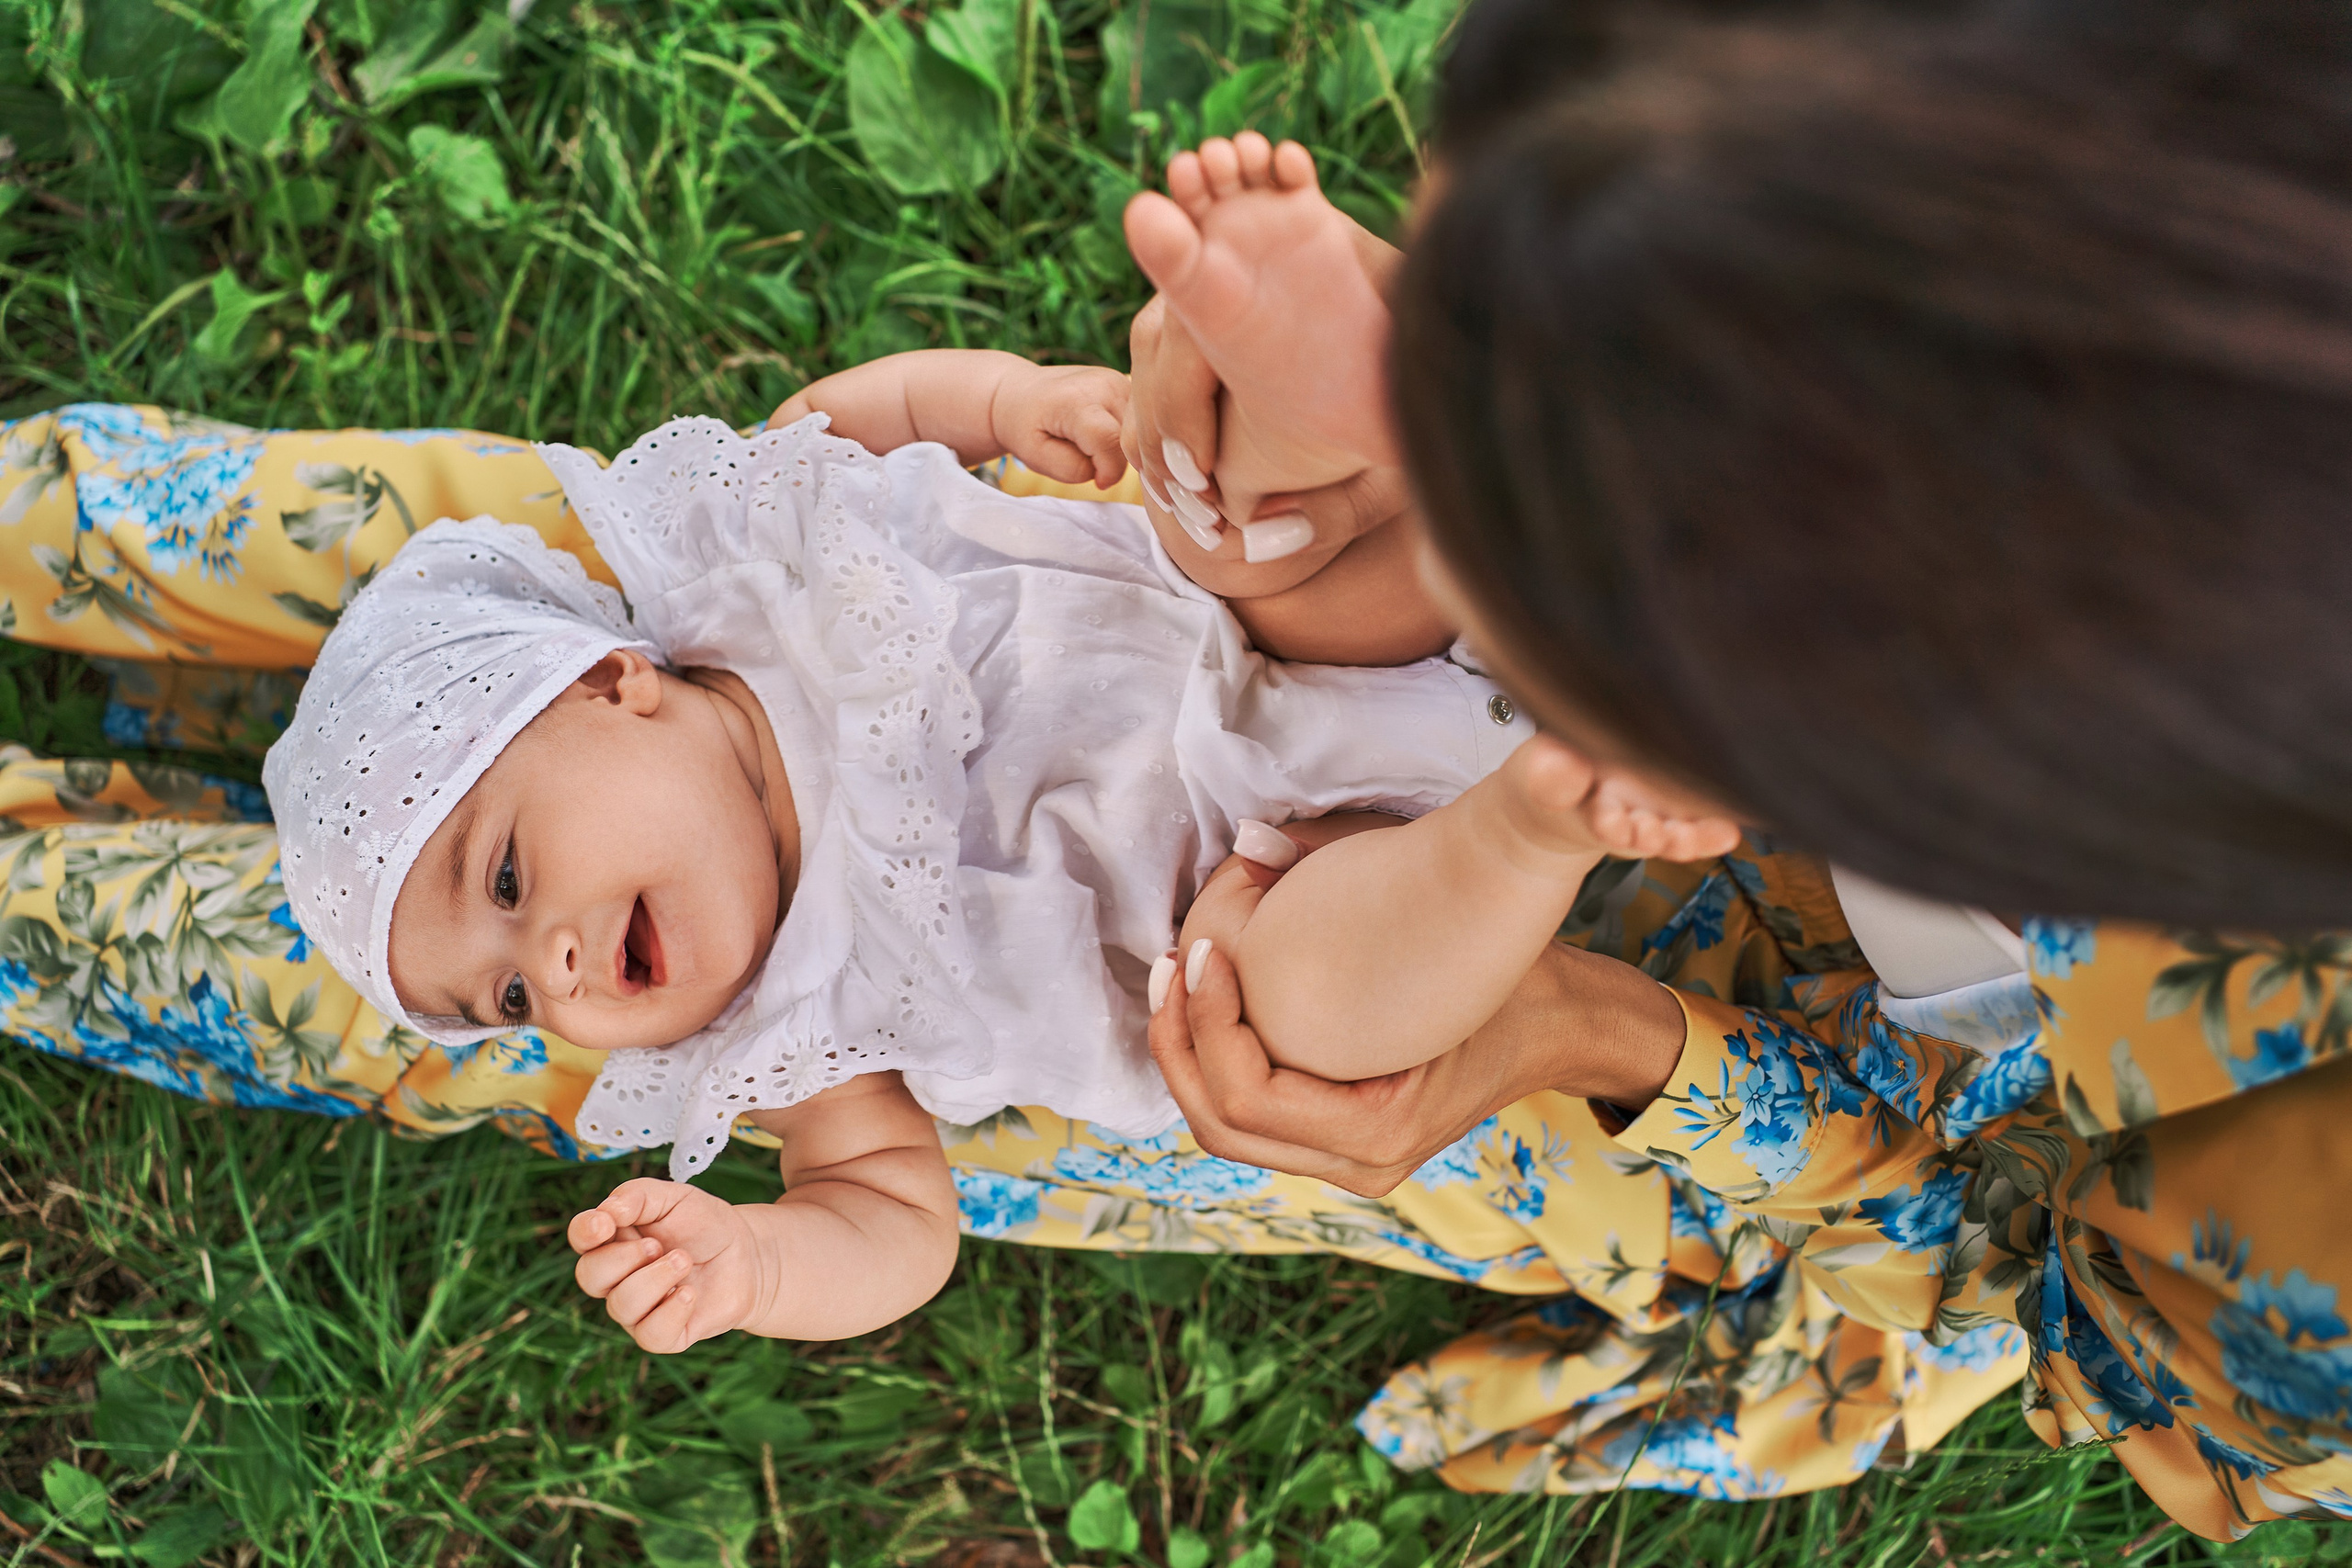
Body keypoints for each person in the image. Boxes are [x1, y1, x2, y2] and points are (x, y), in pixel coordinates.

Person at [1122, 0, 2352, 1539]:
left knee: (1110, 1037)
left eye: (1496, 487)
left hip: (1907, 1121)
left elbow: (1998, 1268)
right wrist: (1374, 364)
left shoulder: (2308, 1266)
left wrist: (1585, 1037)